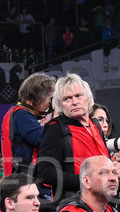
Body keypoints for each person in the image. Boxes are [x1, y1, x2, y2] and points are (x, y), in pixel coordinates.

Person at [36, 74, 109, 202]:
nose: (74, 102)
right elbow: (45, 172)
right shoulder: (55, 128)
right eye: (67, 99)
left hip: (103, 202)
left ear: (88, 98)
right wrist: (86, 181)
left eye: (78, 96)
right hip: (74, 205)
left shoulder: (95, 125)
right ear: (60, 105)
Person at [0, 72, 54, 176]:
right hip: (25, 178)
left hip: (21, 175)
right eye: (49, 98)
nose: (49, 103)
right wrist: (53, 121)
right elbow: (43, 139)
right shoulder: (22, 115)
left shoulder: (17, 112)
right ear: (39, 97)